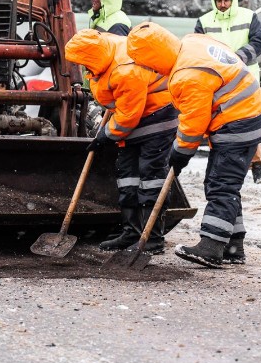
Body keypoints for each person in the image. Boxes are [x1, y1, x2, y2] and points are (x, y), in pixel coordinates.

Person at [126, 22, 261, 267]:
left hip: (237, 121)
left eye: (146, 63)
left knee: (221, 185)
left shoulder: (187, 74)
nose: (149, 69)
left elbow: (194, 123)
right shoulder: (192, 43)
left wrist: (180, 152)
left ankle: (212, 246)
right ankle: (233, 246)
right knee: (224, 183)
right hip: (246, 115)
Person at [65, 29, 178, 254]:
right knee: (127, 176)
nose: (83, 69)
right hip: (134, 113)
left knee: (151, 177)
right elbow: (123, 108)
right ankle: (132, 232)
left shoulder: (126, 71)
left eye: (84, 63)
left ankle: (152, 238)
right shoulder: (105, 49)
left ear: (93, 57)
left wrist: (106, 136)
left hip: (157, 115)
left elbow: (128, 117)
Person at [194, 0, 261, 184]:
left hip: (245, 79)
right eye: (219, 0)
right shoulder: (204, 21)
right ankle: (217, 157)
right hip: (217, 81)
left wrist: (238, 57)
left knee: (249, 121)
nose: (223, 4)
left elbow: (258, 43)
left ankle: (257, 165)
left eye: (226, 0)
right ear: (214, 0)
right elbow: (197, 47)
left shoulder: (249, 16)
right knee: (217, 121)